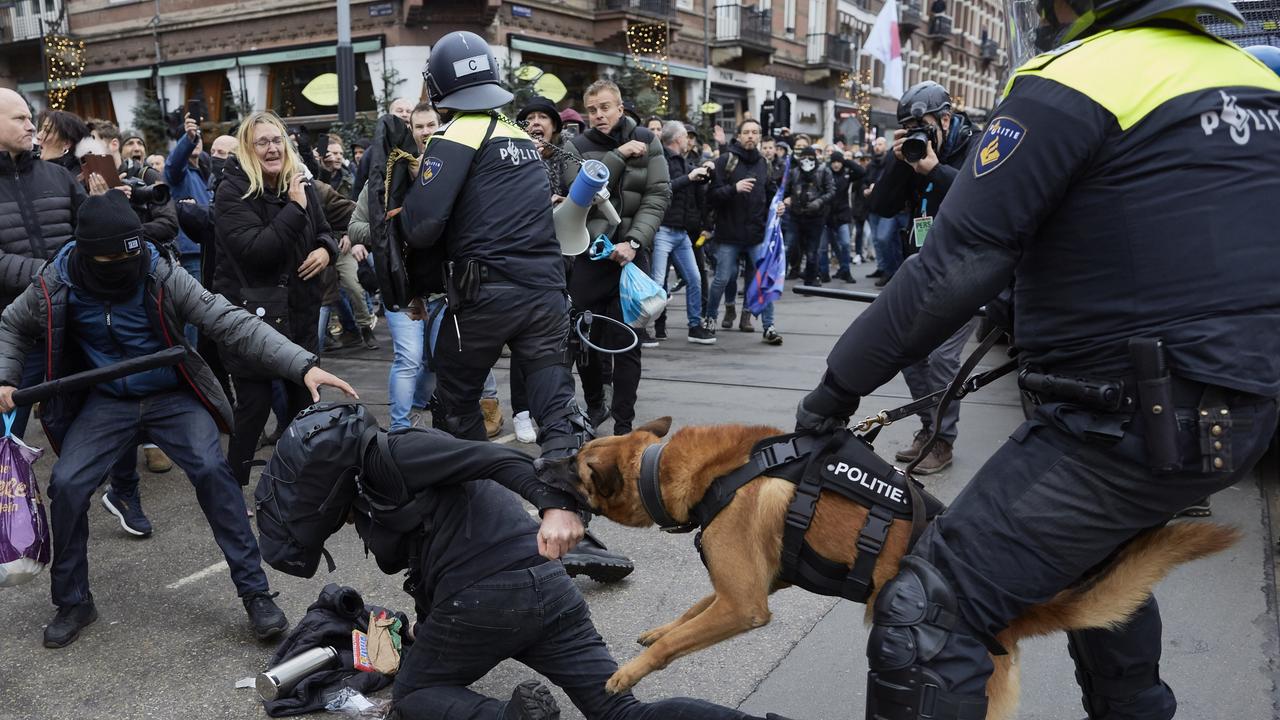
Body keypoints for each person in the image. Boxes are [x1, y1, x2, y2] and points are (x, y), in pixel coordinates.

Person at [793, 1, 1280, 716]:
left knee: (928, 609)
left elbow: (953, 264)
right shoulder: (1249, 80)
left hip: (1126, 412)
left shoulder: (1086, 77)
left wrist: (833, 394)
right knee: (1098, 567)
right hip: (1233, 402)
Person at [0, 191, 357, 649]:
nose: (117, 267)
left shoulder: (161, 272)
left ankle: (256, 594)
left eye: (123, 257)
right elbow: (12, 322)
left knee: (214, 471)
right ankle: (73, 601)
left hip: (171, 394)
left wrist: (303, 365)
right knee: (67, 485)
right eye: (105, 259)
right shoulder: (57, 280)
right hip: (108, 401)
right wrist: (7, 376)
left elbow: (231, 322)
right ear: (86, 255)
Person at [301, 419, 796, 720]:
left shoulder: (394, 463)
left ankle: (511, 717)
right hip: (548, 586)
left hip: (485, 597)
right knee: (617, 710)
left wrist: (552, 505)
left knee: (414, 695)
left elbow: (493, 460)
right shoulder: (411, 468)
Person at [400, 31, 632, 582]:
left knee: (456, 409)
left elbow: (422, 225)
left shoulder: (455, 135)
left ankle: (481, 520)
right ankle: (566, 517)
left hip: (481, 297)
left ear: (439, 85)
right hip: (546, 294)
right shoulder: (520, 137)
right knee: (557, 409)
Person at [213, 111, 337, 487]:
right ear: (248, 151)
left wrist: (326, 250)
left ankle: (300, 482)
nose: (272, 148)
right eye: (262, 142)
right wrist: (295, 208)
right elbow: (258, 251)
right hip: (252, 317)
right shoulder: (233, 191)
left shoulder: (298, 183)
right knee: (254, 408)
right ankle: (233, 487)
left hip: (300, 311)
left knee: (305, 401)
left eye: (277, 139)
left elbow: (325, 229)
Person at [871, 81, 981, 475]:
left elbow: (982, 198)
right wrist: (899, 161)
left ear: (946, 119)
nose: (920, 133)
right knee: (909, 352)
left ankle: (941, 440)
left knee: (940, 358)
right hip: (923, 264)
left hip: (970, 267)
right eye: (910, 126)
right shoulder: (910, 153)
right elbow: (881, 206)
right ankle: (928, 428)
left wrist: (936, 169)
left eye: (924, 124)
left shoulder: (977, 145)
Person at [569, 78, 670, 431]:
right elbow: (577, 196)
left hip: (632, 260)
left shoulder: (647, 140)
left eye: (605, 108)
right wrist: (617, 156)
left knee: (629, 345)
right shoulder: (577, 145)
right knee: (586, 343)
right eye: (592, 109)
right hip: (592, 257)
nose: (598, 115)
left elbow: (657, 196)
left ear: (620, 107)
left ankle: (624, 424)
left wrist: (633, 243)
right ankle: (596, 401)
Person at [0, 89, 87, 441]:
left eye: (29, 117)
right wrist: (48, 275)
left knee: (104, 410)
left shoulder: (58, 177)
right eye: (20, 118)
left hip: (76, 317)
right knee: (8, 432)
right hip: (17, 329)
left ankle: (123, 491)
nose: (31, 126)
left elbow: (88, 234)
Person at [705, 119, 782, 345]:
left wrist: (778, 205)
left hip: (756, 235)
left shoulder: (764, 164)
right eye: (746, 132)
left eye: (754, 132)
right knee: (721, 279)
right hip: (729, 234)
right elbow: (711, 196)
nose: (750, 136)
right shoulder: (725, 161)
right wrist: (734, 189)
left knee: (763, 280)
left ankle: (768, 327)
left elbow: (772, 194)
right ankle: (710, 319)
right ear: (738, 136)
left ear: (759, 137)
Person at [653, 121, 714, 345]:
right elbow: (663, 188)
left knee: (695, 278)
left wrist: (706, 173)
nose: (688, 141)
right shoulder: (660, 160)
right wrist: (690, 177)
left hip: (682, 232)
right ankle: (645, 327)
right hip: (663, 230)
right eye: (685, 137)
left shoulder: (685, 162)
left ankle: (695, 326)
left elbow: (696, 193)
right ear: (678, 139)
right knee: (658, 282)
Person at [783, 144, 834, 287]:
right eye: (804, 157)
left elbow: (831, 191)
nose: (807, 161)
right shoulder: (794, 172)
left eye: (810, 158)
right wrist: (787, 199)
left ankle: (809, 281)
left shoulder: (824, 171)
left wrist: (819, 201)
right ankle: (777, 279)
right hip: (796, 216)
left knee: (812, 252)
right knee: (787, 247)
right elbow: (785, 190)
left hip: (815, 217)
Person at [822, 150, 857, 283]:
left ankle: (845, 270)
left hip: (842, 215)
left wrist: (846, 160)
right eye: (834, 162)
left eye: (839, 162)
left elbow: (861, 171)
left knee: (846, 244)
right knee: (824, 247)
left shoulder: (847, 174)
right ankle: (824, 272)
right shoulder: (825, 173)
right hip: (826, 215)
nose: (836, 165)